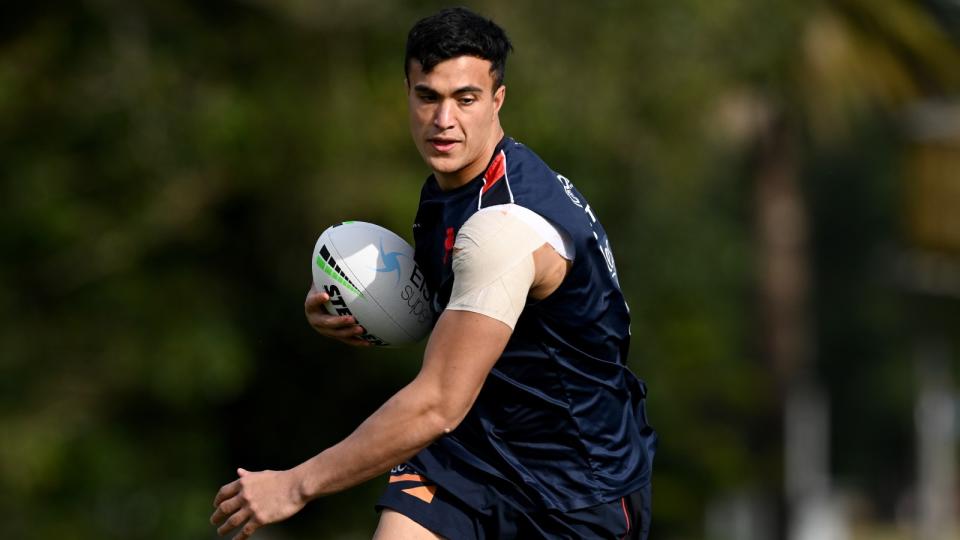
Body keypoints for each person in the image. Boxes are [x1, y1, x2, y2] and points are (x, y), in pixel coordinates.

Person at [211, 7, 655, 539]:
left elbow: (439, 402)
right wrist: (355, 306)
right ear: (408, 93)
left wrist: (296, 484)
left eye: (465, 99)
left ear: (498, 101)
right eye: (428, 97)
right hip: (468, 457)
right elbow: (460, 313)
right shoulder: (449, 191)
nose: (444, 121)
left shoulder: (505, 228)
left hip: (574, 487)